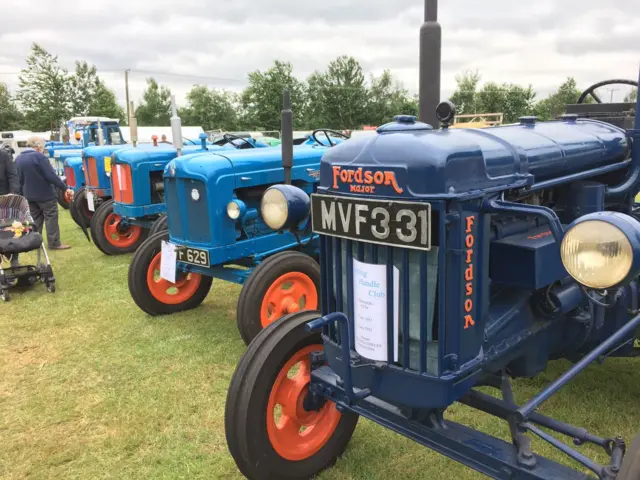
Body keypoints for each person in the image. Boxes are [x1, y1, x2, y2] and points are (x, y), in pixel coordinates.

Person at [15, 136, 74, 250]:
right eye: (43, 146)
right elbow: (50, 175)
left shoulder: (18, 159)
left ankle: (34, 243)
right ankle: (54, 243)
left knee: (35, 219)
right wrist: (64, 187)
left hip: (29, 195)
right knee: (51, 218)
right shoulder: (39, 157)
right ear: (38, 146)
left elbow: (18, 179)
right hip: (45, 194)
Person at [0, 144, 20, 267]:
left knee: (12, 228)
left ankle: (14, 258)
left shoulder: (4, 156)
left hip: (6, 199)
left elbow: (13, 176)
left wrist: (12, 193)